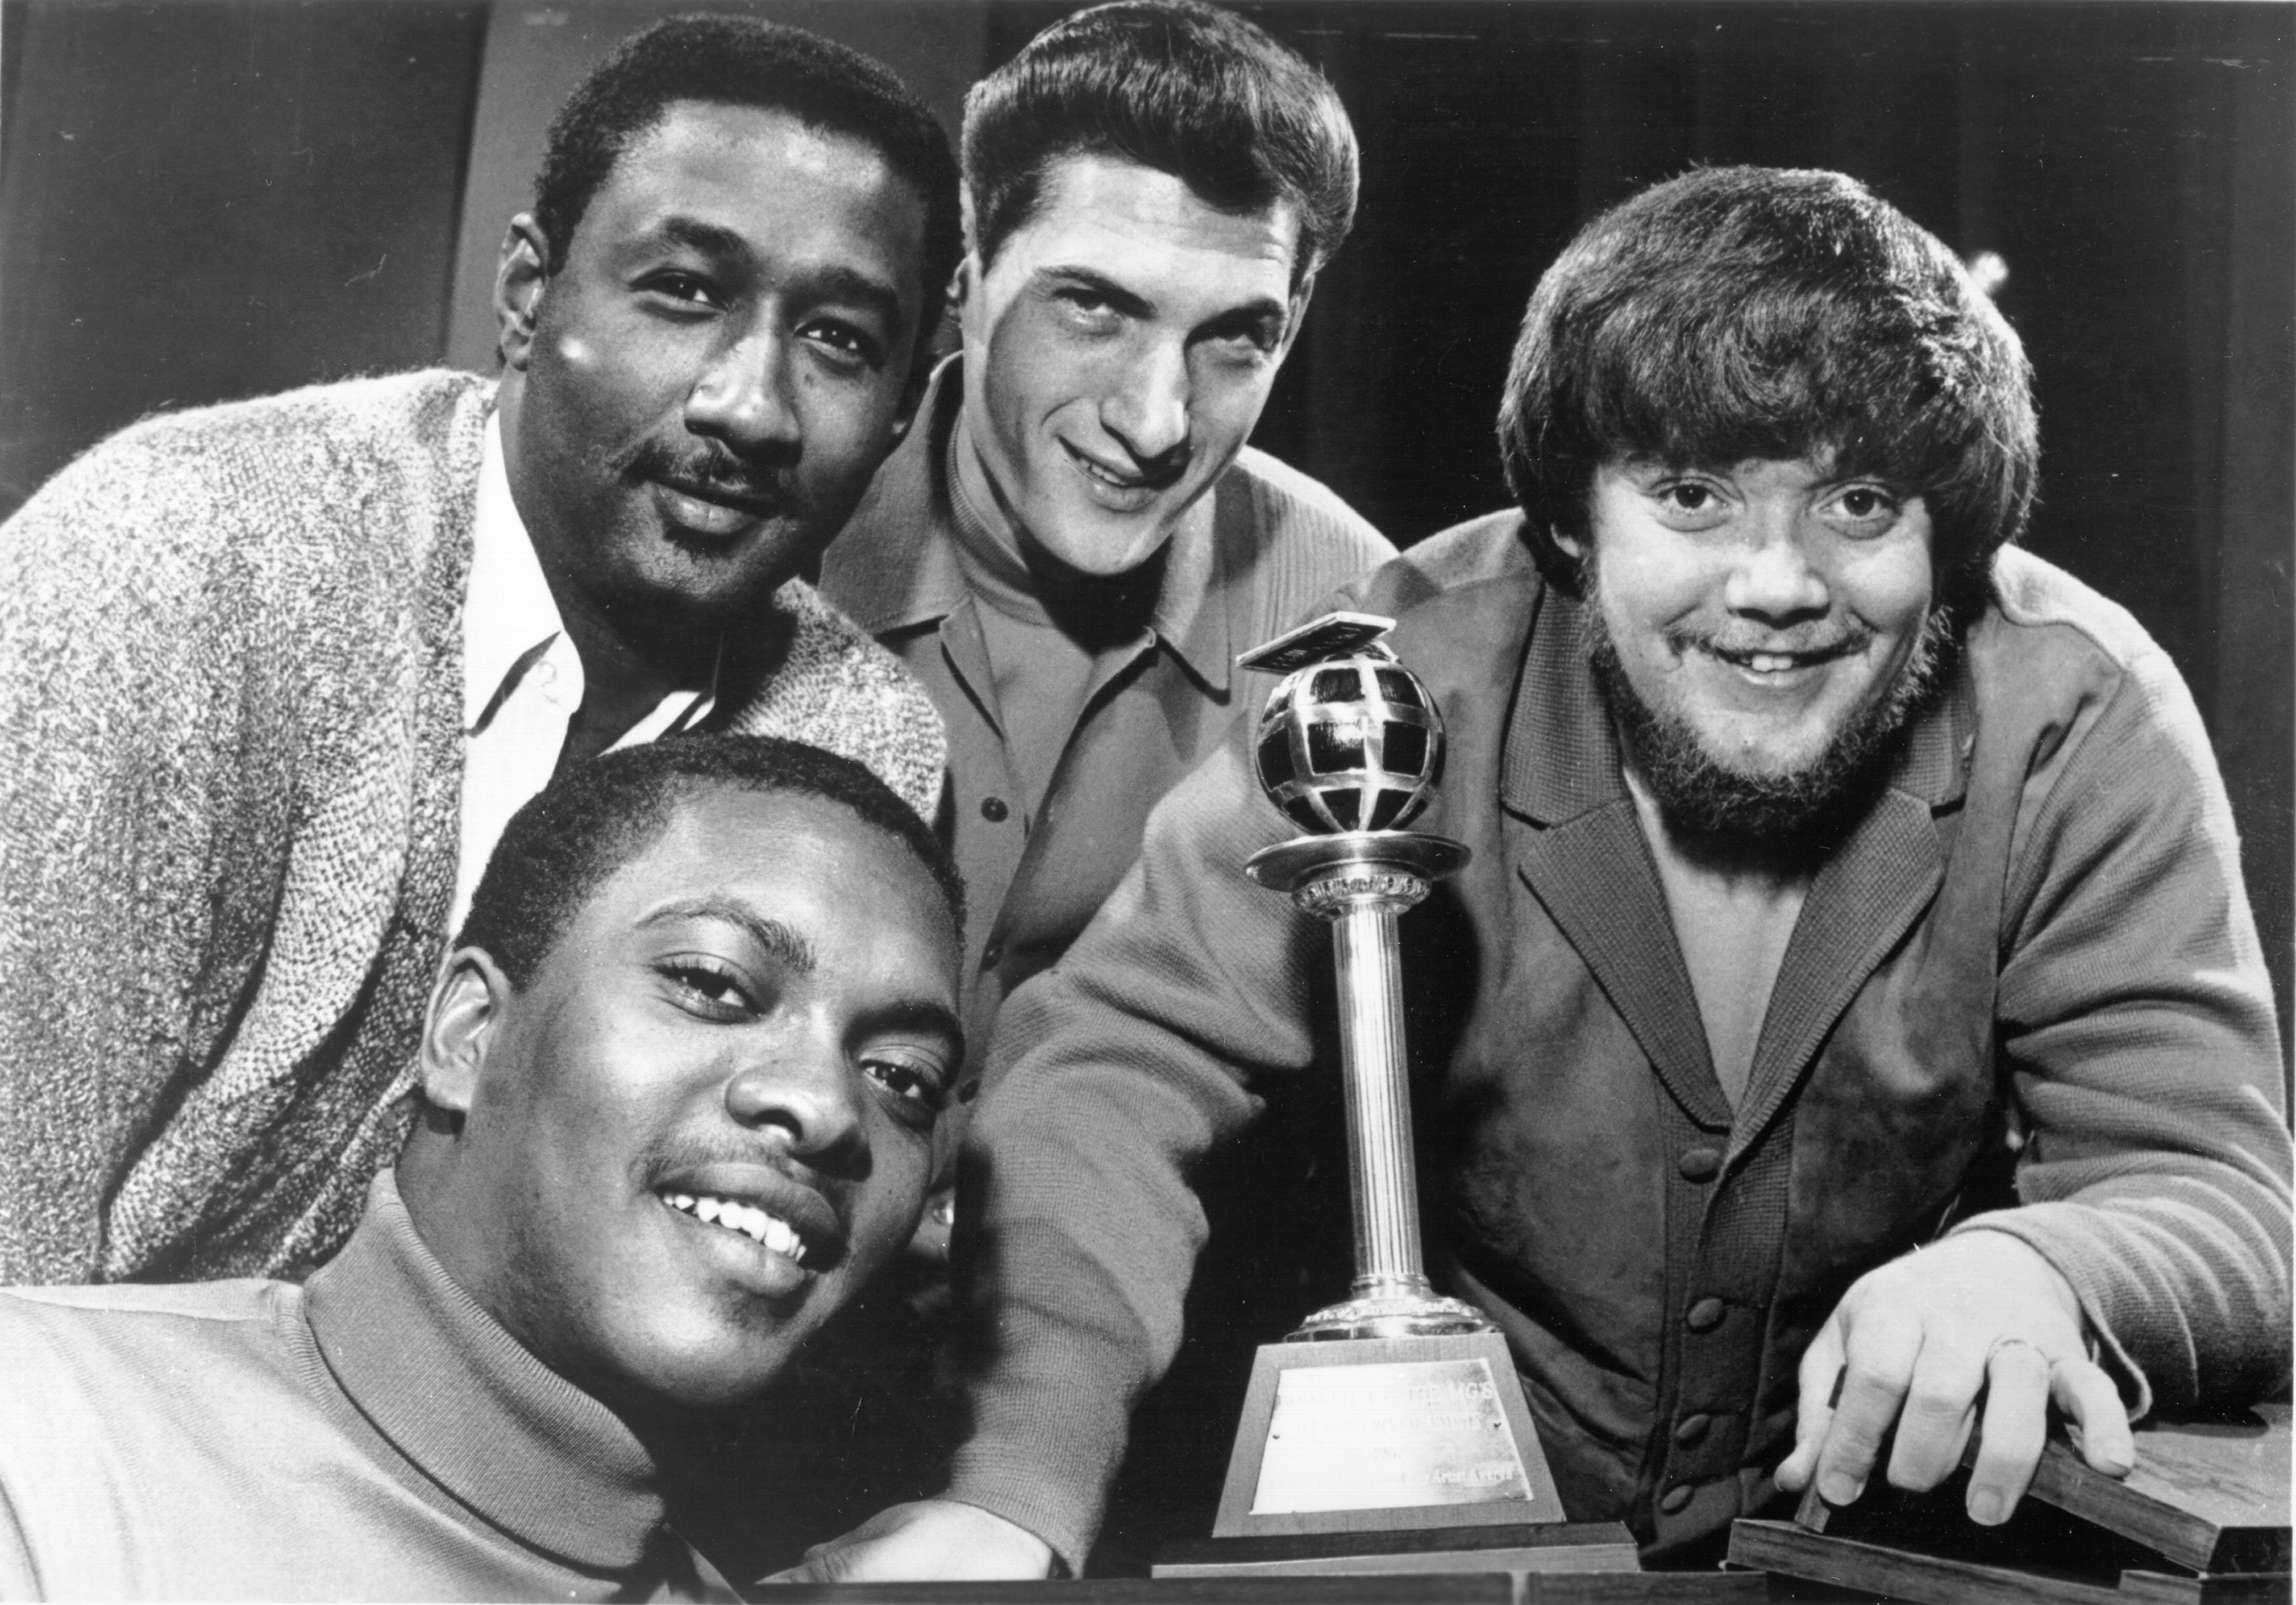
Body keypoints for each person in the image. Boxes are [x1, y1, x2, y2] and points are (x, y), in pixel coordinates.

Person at [796, 167, 2293, 1579]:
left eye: (1857, 505)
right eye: (1692, 496)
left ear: (1949, 536)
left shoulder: (2075, 708)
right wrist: (1014, 1491)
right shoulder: (1394, 674)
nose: (1776, 587)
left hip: (1887, 1562)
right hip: (1460, 1562)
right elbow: (1110, 1076)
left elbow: (2221, 1193)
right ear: (1570, 520)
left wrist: (2043, 1271)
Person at [0, 15, 964, 1287]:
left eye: (838, 339)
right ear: (526, 294)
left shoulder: (858, 743)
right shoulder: (182, 560)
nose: (749, 405)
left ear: (899, 413)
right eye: (684, 291)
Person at [0, 734, 967, 1600]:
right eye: (713, 985)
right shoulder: (40, 1442)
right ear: (468, 1034)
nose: (827, 1107)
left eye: (902, 1077)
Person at [817, 0, 1394, 1228]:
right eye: (1093, 307)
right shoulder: (781, 524)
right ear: (967, 277)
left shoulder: (1350, 611)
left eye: (1235, 340)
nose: (1154, 420)